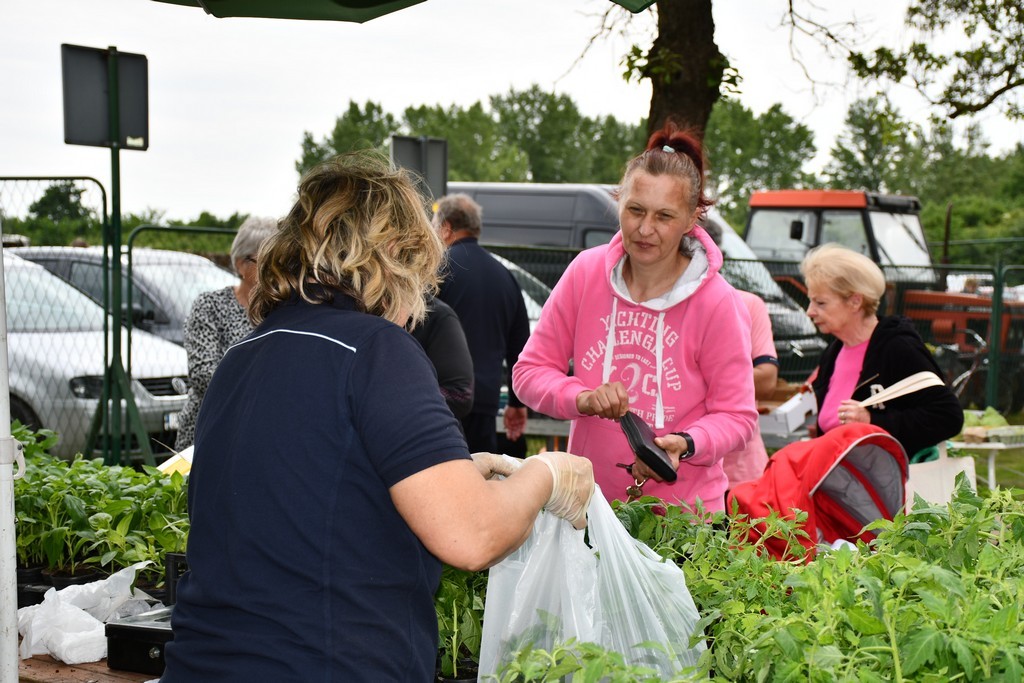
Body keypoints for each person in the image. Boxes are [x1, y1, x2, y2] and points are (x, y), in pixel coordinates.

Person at [161, 152, 594, 683]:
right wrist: (546, 476)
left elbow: (313, 498)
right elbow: (473, 535)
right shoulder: (376, 350)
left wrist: (453, 471)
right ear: (392, 254)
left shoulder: (245, 355)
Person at [512, 122, 758, 513]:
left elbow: (737, 417)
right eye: (635, 210)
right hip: (587, 506)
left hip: (684, 520)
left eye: (664, 216)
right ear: (619, 201)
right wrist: (583, 398)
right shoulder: (585, 273)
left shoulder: (717, 303)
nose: (645, 229)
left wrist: (686, 443)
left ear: (692, 218)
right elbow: (529, 374)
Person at [802, 243, 964, 458]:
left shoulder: (898, 348)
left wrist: (873, 421)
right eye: (811, 301)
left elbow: (947, 416)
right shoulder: (834, 352)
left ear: (855, 302)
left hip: (892, 485)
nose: (810, 312)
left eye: (820, 303)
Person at [433, 194, 531, 454]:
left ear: (445, 228)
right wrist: (516, 402)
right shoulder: (505, 276)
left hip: (440, 399)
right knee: (478, 476)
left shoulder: (438, 269)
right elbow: (520, 349)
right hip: (485, 402)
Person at [173, 216, 277, 451]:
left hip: (266, 433)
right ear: (240, 264)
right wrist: (264, 394)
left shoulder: (284, 310)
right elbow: (203, 375)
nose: (275, 269)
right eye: (266, 261)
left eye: (279, 260)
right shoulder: (210, 306)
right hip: (212, 430)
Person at [702, 220, 779, 487]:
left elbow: (767, 378)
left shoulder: (747, 303)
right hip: (671, 474)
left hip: (739, 475)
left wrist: (695, 378)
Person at [410, 295, 475, 419]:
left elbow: (460, 395)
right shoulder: (366, 313)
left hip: (424, 431)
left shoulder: (436, 315)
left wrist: (397, 398)